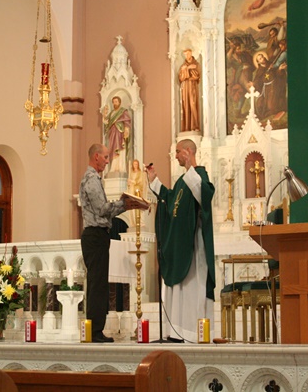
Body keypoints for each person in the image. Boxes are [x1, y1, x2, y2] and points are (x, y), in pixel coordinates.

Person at [146, 139, 216, 342]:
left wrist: (190, 166)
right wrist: (154, 181)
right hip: (179, 244)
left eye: (178, 152)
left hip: (193, 246)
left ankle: (192, 333)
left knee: (192, 288)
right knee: (178, 291)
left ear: (187, 151)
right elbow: (169, 200)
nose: (175, 156)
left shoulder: (199, 175)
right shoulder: (182, 181)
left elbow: (204, 195)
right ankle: (175, 331)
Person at [79, 144, 148, 343]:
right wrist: (124, 204)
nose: (108, 161)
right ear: (96, 157)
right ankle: (94, 332)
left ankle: (96, 330)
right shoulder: (91, 179)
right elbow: (101, 209)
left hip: (98, 235)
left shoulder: (94, 178)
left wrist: (124, 205)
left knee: (99, 283)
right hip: (95, 235)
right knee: (97, 284)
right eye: (105, 157)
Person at [103, 96, 132, 174]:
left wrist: (126, 129)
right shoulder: (112, 113)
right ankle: (113, 167)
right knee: (113, 148)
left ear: (119, 102)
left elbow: (127, 121)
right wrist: (104, 115)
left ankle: (121, 167)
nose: (114, 103)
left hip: (120, 132)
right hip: (112, 132)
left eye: (116, 102)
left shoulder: (123, 111)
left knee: (120, 148)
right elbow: (107, 123)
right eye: (113, 102)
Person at [178, 49, 201, 132]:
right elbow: (181, 78)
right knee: (185, 105)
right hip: (185, 87)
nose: (186, 56)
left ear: (191, 53)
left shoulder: (196, 64)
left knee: (193, 104)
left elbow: (197, 75)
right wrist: (187, 69)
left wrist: (187, 71)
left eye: (188, 54)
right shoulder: (183, 66)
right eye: (185, 54)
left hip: (193, 86)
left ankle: (195, 126)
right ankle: (186, 127)